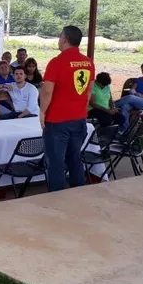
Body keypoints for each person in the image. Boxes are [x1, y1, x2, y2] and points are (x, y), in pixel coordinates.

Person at [39, 25, 95, 192]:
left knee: (56, 162)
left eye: (60, 36)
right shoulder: (88, 62)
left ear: (64, 39)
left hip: (57, 120)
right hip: (79, 118)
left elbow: (47, 90)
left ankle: (57, 199)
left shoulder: (57, 62)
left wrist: (42, 112)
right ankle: (78, 193)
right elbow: (88, 92)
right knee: (74, 158)